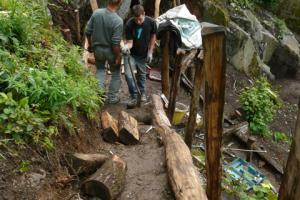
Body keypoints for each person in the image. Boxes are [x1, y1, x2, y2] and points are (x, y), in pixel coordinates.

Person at [85, 0, 123, 104]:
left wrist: (90, 44)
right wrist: (118, 57)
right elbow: (115, 43)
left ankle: (98, 97)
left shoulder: (97, 13)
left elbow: (87, 31)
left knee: (100, 70)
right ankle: (112, 98)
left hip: (98, 49)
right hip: (111, 51)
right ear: (120, 3)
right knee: (115, 73)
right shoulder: (118, 21)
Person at [122, 4, 157, 107]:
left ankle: (142, 94)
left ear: (144, 14)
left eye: (140, 19)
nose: (138, 22)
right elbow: (130, 42)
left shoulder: (151, 22)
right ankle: (133, 95)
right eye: (136, 19)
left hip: (143, 54)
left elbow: (153, 36)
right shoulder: (129, 24)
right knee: (128, 75)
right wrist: (126, 47)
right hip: (131, 55)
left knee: (142, 76)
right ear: (133, 17)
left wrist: (150, 51)